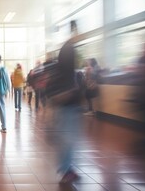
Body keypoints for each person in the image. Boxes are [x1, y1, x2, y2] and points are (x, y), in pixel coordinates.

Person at [47, 20, 82, 184]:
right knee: (68, 136)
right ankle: (65, 169)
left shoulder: (67, 49)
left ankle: (68, 168)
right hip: (67, 99)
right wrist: (71, 91)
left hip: (68, 100)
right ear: (74, 31)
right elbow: (67, 75)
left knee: (70, 136)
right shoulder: (68, 49)